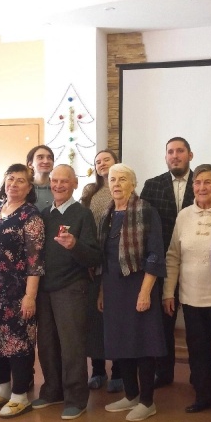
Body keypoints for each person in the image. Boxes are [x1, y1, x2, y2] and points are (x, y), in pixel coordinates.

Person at [163, 163, 211, 422]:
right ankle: (205, 397)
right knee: (198, 351)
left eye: (207, 182)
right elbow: (173, 256)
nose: (202, 187)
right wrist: (168, 292)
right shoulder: (184, 215)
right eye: (197, 182)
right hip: (191, 297)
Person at [0, 163, 45, 417]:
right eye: (10, 179)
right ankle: (3, 389)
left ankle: (20, 395)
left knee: (18, 343)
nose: (13, 184)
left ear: (29, 188)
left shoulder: (31, 216)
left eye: (20, 181)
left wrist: (30, 296)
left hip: (17, 292)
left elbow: (35, 261)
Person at [33, 165, 101, 419]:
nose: (58, 185)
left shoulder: (83, 214)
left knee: (72, 347)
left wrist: (74, 245)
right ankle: (53, 391)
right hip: (44, 289)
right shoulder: (43, 215)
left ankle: (76, 398)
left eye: (64, 181)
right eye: (55, 181)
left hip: (72, 288)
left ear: (75, 184)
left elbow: (94, 256)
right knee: (47, 344)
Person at [99, 164, 166, 421]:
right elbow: (103, 258)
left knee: (142, 342)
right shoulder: (107, 214)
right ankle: (130, 395)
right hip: (113, 287)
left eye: (122, 179)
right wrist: (102, 291)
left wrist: (145, 292)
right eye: (112, 179)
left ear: (133, 184)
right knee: (121, 341)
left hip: (139, 284)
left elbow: (155, 254)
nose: (116, 184)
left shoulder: (146, 210)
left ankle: (147, 401)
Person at [140, 137, 195, 387]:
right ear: (165, 157)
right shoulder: (152, 186)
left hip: (196, 266)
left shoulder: (202, 183)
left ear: (190, 155)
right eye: (170, 152)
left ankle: (199, 376)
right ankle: (164, 373)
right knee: (164, 324)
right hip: (162, 266)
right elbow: (143, 228)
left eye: (180, 151)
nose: (175, 155)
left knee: (197, 327)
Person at [81, 148, 123, 392]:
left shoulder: (125, 189)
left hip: (115, 261)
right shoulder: (90, 191)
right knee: (94, 321)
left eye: (106, 159)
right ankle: (97, 371)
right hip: (93, 261)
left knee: (115, 319)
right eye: (98, 161)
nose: (102, 164)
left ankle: (118, 371)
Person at [27, 144, 55, 212]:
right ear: (30, 164)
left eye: (49, 158)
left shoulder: (58, 188)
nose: (46, 161)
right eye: (40, 157)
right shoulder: (24, 188)